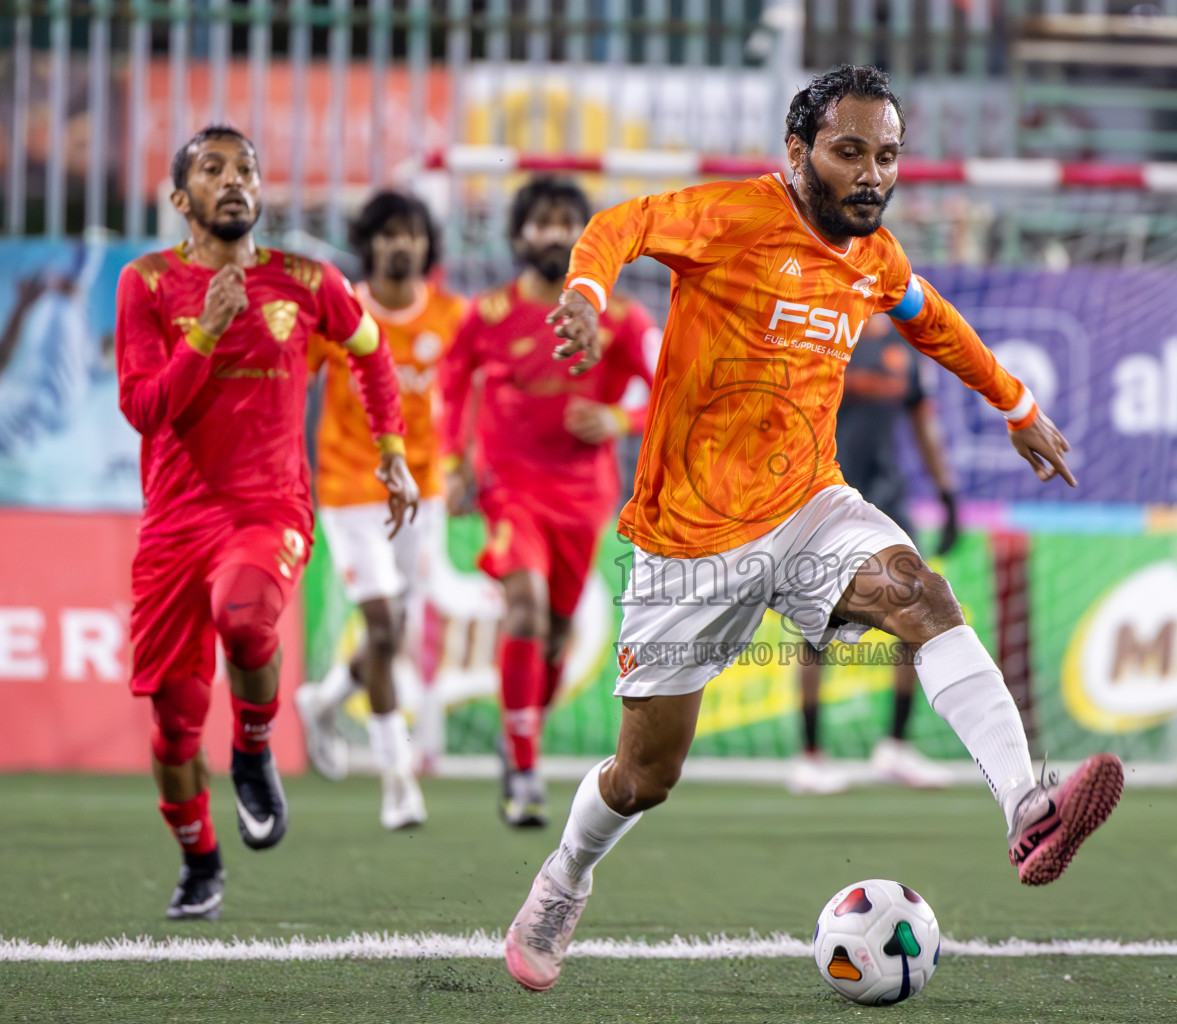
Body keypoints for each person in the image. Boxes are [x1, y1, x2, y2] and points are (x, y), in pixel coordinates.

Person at [503, 65, 1123, 992]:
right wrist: (588, 297)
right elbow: (619, 225)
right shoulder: (731, 216)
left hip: (808, 508)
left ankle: (1027, 806)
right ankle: (563, 878)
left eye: (887, 156)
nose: (872, 174)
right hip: (689, 542)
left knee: (924, 595)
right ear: (798, 154)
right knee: (644, 776)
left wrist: (1016, 402)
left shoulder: (872, 257)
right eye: (849, 152)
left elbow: (932, 319)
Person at [115, 125, 416, 921]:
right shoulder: (145, 285)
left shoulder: (306, 279)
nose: (235, 180)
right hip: (174, 528)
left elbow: (372, 348)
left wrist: (392, 446)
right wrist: (206, 334)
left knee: (246, 615)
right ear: (182, 201)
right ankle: (200, 857)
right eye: (212, 170)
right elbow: (144, 411)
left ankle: (253, 747)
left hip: (267, 508)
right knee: (175, 730)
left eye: (246, 167)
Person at [439, 178, 658, 830]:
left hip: (583, 498)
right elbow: (452, 389)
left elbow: (670, 386)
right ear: (517, 236)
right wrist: (454, 464)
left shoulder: (621, 319)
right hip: (509, 492)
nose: (555, 235)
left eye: (569, 223)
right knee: (526, 607)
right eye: (542, 222)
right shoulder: (485, 316)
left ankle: (521, 736)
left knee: (556, 630)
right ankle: (524, 766)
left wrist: (620, 420)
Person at [295, 190, 465, 830]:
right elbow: (292, 384)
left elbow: (475, 388)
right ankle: (398, 781)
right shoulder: (338, 314)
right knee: (387, 632)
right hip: (350, 489)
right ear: (370, 242)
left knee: (393, 627)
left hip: (422, 494)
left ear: (427, 244)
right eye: (389, 234)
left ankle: (324, 699)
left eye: (412, 233)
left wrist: (466, 459)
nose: (402, 245)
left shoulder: (451, 315)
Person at [788, 312, 961, 795]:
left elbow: (922, 420)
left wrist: (947, 494)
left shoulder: (905, 350)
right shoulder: (825, 334)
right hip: (828, 494)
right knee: (815, 623)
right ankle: (809, 753)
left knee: (918, 606)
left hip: (890, 498)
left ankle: (895, 744)